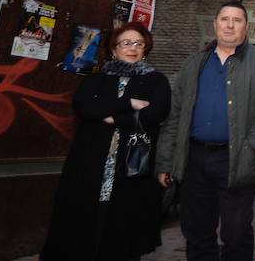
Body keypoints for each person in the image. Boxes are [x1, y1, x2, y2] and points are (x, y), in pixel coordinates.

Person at [41, 22, 171, 260]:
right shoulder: (95, 80)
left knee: (123, 226)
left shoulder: (156, 81)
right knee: (83, 222)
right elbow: (85, 107)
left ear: (145, 49)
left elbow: (155, 114)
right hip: (90, 161)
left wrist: (111, 118)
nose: (132, 48)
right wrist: (129, 104)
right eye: (126, 43)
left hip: (132, 164)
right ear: (114, 49)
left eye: (138, 44)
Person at [155, 0, 255, 261]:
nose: (230, 25)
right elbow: (175, 115)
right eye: (224, 19)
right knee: (196, 230)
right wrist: (165, 161)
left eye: (237, 20)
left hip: (237, 158)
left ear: (245, 27)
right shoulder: (194, 63)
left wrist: (251, 146)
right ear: (215, 24)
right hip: (194, 159)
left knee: (237, 231)